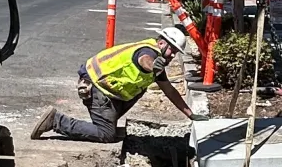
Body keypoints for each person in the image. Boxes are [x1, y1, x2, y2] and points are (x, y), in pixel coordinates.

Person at [31, 26, 193, 142]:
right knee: (106, 135)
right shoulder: (149, 52)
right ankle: (56, 121)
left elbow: (170, 91)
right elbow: (144, 60)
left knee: (140, 89)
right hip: (94, 85)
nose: (173, 56)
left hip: (105, 88)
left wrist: (191, 114)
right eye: (172, 50)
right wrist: (153, 66)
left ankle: (108, 122)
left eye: (176, 52)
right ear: (162, 43)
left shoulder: (156, 60)